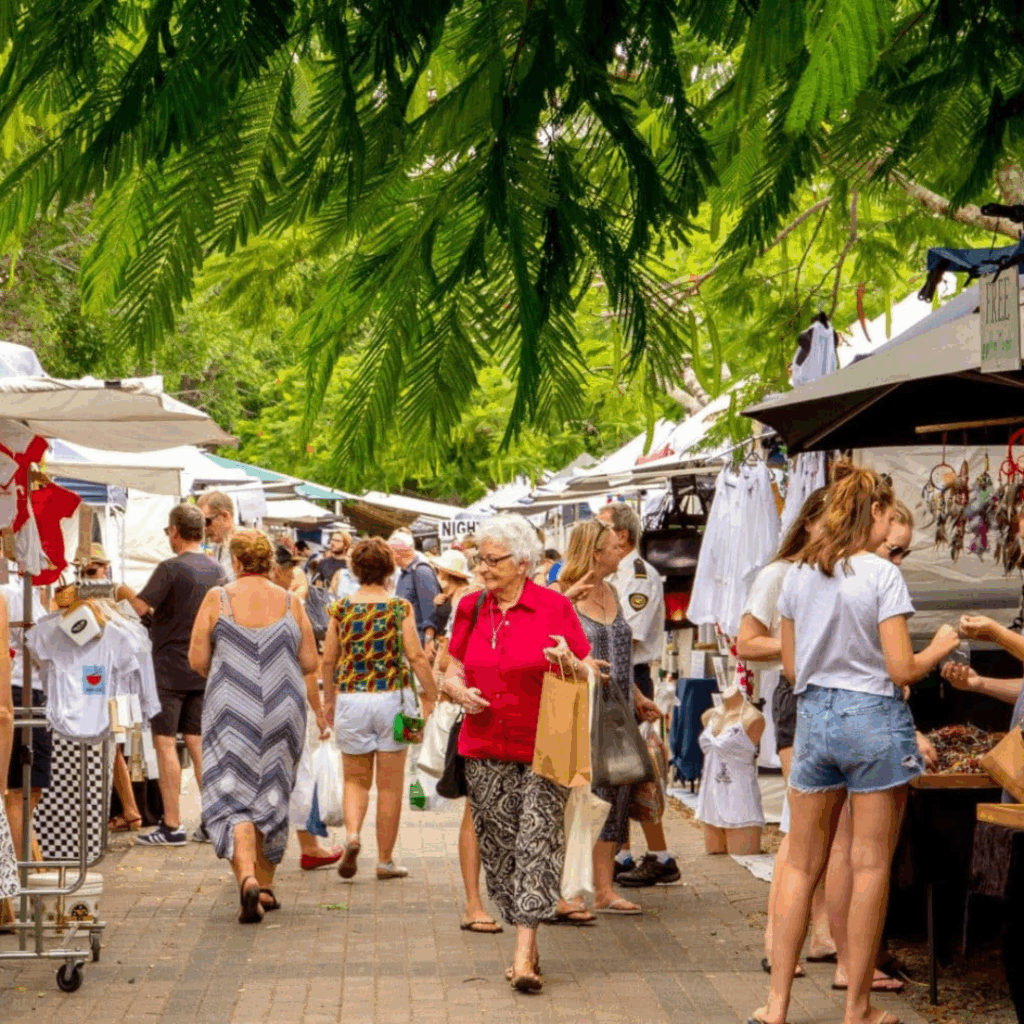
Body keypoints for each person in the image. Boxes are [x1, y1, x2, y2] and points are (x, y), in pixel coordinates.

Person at [750, 465, 960, 1024]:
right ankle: (857, 1007)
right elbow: (899, 666)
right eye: (889, 517)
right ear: (872, 514)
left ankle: (775, 1007)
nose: (891, 530)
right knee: (868, 866)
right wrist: (938, 646)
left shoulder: (797, 574)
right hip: (873, 718)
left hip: (814, 718)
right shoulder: (881, 576)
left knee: (800, 864)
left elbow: (792, 667)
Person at [441, 514, 592, 993]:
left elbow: (588, 667)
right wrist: (457, 690)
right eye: (479, 559)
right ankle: (527, 932)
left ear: (523, 562)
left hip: (543, 743)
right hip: (483, 743)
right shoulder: (470, 607)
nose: (482, 568)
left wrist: (570, 661)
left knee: (537, 840)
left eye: (492, 560)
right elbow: (451, 669)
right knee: (500, 848)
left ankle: (523, 954)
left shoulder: (552, 607)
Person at [188, 530, 319, 923]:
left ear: (237, 562)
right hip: (283, 708)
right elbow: (310, 662)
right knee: (274, 788)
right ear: (269, 563)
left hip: (231, 709)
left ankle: (245, 878)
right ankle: (266, 884)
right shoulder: (291, 601)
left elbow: (197, 659)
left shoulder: (219, 598)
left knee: (232, 793)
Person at [737, 486, 833, 976]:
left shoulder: (845, 574)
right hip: (796, 697)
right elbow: (745, 643)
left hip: (836, 700)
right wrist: (797, 641)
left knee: (828, 828)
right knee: (802, 826)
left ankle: (821, 931)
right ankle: (777, 938)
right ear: (811, 521)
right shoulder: (779, 574)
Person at [555, 518, 662, 916]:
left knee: (615, 797)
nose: (622, 550)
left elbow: (625, 657)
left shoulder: (614, 590)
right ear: (595, 551)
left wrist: (637, 696)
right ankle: (567, 891)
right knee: (580, 798)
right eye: (615, 546)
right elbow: (545, 645)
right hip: (579, 711)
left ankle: (604, 888)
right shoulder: (561, 593)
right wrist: (565, 602)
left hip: (617, 712)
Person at [321, 538, 437, 883]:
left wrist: (328, 700)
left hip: (352, 699)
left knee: (355, 780)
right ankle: (385, 860)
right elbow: (416, 656)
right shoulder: (400, 607)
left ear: (354, 570)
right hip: (397, 699)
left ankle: (352, 836)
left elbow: (329, 658)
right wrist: (432, 691)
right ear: (390, 569)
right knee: (391, 786)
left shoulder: (340, 608)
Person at [117, 504, 227, 846]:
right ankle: (213, 820)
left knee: (165, 743)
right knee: (198, 743)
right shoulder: (217, 569)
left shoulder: (169, 568)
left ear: (175, 531)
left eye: (168, 532)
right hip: (204, 665)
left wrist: (123, 591)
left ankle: (172, 824)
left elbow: (140, 608)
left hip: (167, 666)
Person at [597, 502, 678, 887]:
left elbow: (627, 637)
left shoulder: (640, 575)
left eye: (603, 528)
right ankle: (622, 853)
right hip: (613, 675)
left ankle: (662, 856)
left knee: (639, 769)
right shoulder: (610, 573)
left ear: (623, 535)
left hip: (631, 676)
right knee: (618, 772)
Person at [2, 578, 49, 863]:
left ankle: (18, 869)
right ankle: (17, 871)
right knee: (22, 789)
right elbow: (37, 645)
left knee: (27, 789)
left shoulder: (24, 591)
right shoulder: (12, 592)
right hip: (21, 692)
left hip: (26, 691)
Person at [390, 529, 442, 657]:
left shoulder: (421, 571)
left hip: (420, 645)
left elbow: (430, 609)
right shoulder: (405, 572)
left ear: (398, 552)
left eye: (390, 552)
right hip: (408, 643)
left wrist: (429, 642)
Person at [197, 490, 237, 582]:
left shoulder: (245, 548)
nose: (204, 528)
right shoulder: (217, 546)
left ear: (225, 516)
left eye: (206, 521)